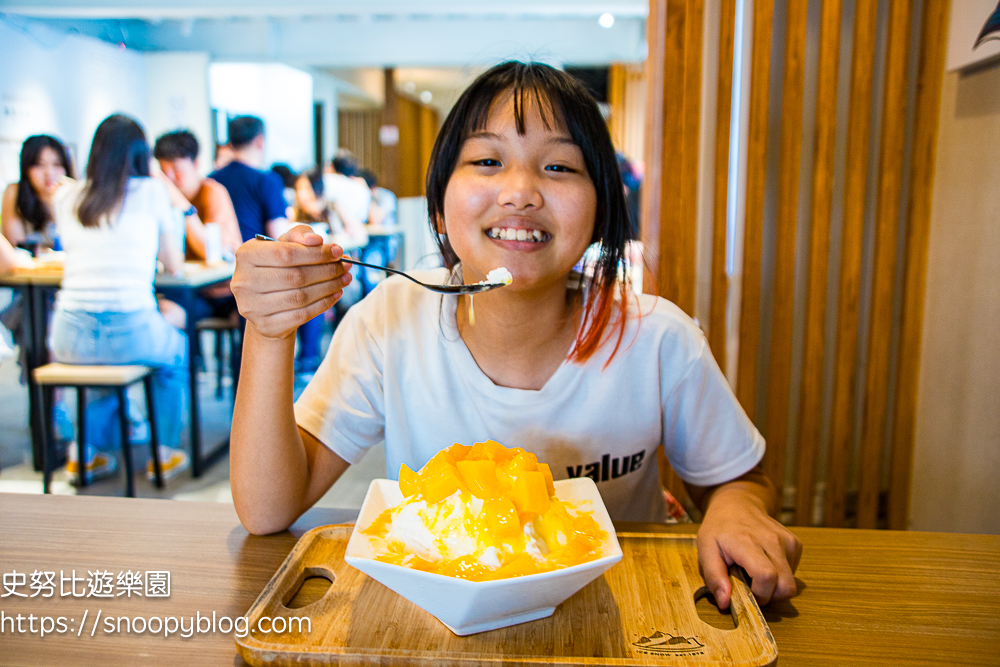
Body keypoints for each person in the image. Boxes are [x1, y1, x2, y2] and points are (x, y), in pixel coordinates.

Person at [229, 62, 801, 611]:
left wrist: (735, 509)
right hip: (437, 624)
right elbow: (267, 508)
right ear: (439, 202)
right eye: (486, 160)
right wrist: (269, 329)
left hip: (620, 613)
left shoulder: (657, 340)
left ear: (602, 209)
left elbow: (739, 482)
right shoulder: (391, 321)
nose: (520, 191)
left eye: (558, 167)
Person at [50, 114, 189, 483]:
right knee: (176, 352)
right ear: (142, 155)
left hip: (67, 333)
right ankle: (163, 453)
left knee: (95, 373)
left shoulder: (66, 195)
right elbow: (174, 264)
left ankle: (82, 452)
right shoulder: (151, 192)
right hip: (131, 326)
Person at [152, 130, 242, 262]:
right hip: (181, 281)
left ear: (195, 164)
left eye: (176, 170)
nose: (169, 178)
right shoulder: (161, 197)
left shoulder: (213, 192)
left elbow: (213, 252)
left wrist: (183, 206)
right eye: (164, 172)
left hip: (217, 281)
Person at [209, 116, 288, 243]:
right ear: (260, 141)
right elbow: (279, 238)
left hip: (222, 259)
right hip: (256, 259)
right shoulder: (268, 181)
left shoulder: (211, 180)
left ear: (230, 143)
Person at [1, 135, 74, 252]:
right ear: (26, 168)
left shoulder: (72, 195)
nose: (49, 173)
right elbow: (16, 246)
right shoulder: (15, 192)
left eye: (57, 164)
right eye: (39, 164)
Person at [322, 152, 370, 240]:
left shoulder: (328, 180)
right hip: (358, 239)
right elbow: (364, 217)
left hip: (334, 237)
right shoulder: (362, 188)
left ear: (332, 166)